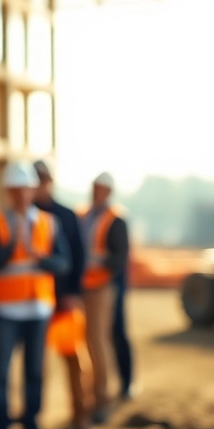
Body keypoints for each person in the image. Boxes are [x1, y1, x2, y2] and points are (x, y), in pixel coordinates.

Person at [0, 161, 71, 429]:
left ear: (33, 190)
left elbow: (63, 263)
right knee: (2, 376)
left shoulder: (49, 223)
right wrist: (10, 246)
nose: (21, 196)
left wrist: (40, 257)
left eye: (25, 189)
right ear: (8, 191)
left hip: (38, 310)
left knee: (35, 373)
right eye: (15, 190)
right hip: (6, 310)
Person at [33, 160, 92, 429]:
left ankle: (81, 415)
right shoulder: (26, 216)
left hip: (63, 302)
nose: (37, 187)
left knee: (72, 360)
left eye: (42, 181)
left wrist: (72, 293)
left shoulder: (66, 216)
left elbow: (79, 257)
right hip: (35, 303)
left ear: (49, 182)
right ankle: (34, 425)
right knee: (36, 368)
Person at [80, 171, 132, 415]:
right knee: (88, 340)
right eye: (94, 187)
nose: (95, 192)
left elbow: (118, 258)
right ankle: (91, 392)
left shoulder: (115, 219)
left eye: (100, 188)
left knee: (99, 339)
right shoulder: (85, 215)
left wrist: (100, 267)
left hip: (102, 287)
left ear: (108, 192)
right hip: (84, 286)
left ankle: (103, 395)